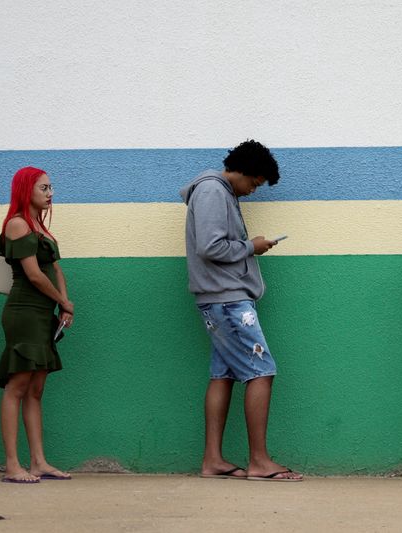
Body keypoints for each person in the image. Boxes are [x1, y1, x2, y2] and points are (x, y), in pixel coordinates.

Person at [179, 140, 302, 481]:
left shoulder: (216, 192)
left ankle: (213, 460)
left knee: (224, 374)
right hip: (227, 299)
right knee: (261, 370)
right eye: (255, 183)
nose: (252, 191)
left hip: (219, 297)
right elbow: (210, 246)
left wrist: (249, 248)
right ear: (244, 171)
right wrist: (252, 246)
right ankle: (260, 462)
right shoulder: (213, 192)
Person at [0, 166, 75, 483]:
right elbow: (33, 275)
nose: (50, 193)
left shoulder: (39, 227)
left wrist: (64, 305)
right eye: (44, 188)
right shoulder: (17, 224)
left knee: (36, 390)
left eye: (51, 187)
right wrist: (63, 302)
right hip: (24, 313)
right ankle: (13, 465)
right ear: (26, 189)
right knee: (17, 386)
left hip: (44, 314)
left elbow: (55, 270)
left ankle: (38, 462)